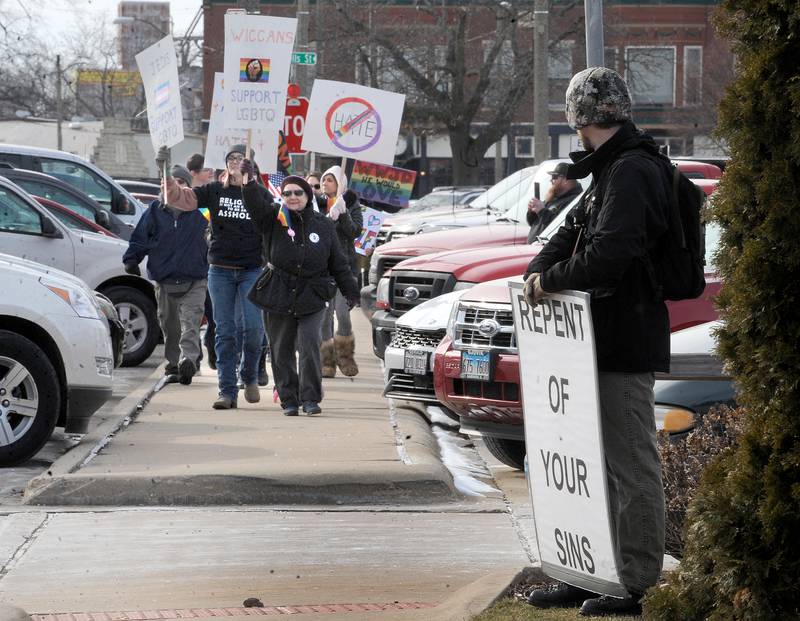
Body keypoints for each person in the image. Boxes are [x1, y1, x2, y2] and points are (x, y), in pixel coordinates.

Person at [523, 67, 671, 617]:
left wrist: (548, 281)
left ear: (580, 118)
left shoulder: (632, 171)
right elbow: (562, 238)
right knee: (590, 464)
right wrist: (540, 271)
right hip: (591, 344)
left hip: (623, 339)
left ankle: (635, 585)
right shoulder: (610, 171)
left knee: (630, 464)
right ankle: (591, 573)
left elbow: (612, 252)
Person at [238, 166, 360, 416]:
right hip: (278, 293)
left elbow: (338, 262)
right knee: (281, 350)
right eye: (287, 193)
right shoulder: (273, 218)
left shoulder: (323, 225)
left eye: (298, 193)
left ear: (307, 196)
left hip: (311, 295)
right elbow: (254, 206)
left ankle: (311, 397)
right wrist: (249, 183)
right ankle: (289, 399)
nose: (293, 197)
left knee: (309, 347)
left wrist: (350, 291)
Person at [160, 144, 265, 410]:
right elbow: (179, 198)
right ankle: (226, 391)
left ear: (251, 165)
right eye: (231, 158)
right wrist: (165, 172)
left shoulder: (260, 193)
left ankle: (249, 375)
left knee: (253, 330)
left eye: (241, 159)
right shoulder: (215, 190)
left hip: (251, 269)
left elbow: (268, 217)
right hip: (220, 269)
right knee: (225, 331)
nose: (235, 162)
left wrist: (250, 183)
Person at [122, 165, 208, 386]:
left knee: (191, 322)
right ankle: (173, 364)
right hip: (164, 279)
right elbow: (140, 236)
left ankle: (188, 360)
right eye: (172, 182)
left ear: (189, 188)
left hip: (195, 278)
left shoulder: (201, 212)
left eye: (182, 183)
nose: (177, 188)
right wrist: (132, 258)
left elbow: (216, 238)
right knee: (170, 325)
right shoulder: (154, 211)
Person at [316, 165, 363, 377]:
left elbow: (354, 232)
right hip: (323, 271)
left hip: (344, 268)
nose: (325, 184)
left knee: (343, 315)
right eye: (323, 180)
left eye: (329, 180)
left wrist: (342, 213)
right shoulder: (316, 204)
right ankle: (327, 361)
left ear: (339, 183)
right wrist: (327, 216)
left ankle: (345, 356)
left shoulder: (351, 203)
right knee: (325, 317)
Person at [186, 153, 217, 370]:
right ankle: (191, 357)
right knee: (190, 317)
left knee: (214, 314)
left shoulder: (212, 198)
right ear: (194, 173)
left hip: (211, 265)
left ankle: (213, 350)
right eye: (207, 170)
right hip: (192, 267)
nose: (211, 174)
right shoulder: (188, 200)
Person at [526, 162, 583, 243]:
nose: (551, 180)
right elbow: (533, 223)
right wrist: (532, 211)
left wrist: (542, 211)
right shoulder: (553, 197)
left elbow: (560, 227)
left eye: (554, 176)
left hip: (548, 250)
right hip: (534, 247)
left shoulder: (575, 201)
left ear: (566, 179)